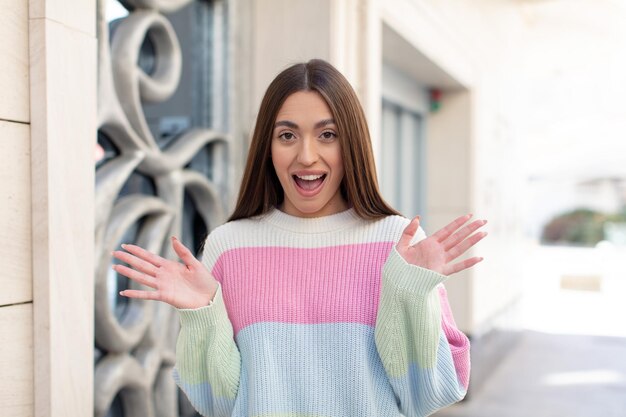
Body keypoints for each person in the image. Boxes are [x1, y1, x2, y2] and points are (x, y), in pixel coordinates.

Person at [112, 59, 487, 417]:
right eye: (287, 135)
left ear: (351, 143)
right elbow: (218, 405)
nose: (306, 156)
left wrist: (409, 291)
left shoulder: (397, 242)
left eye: (327, 135)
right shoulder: (229, 247)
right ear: (267, 146)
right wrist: (202, 316)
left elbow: (428, 395)